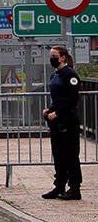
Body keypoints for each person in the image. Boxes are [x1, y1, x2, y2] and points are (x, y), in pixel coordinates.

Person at [42, 45, 82, 200]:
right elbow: (57, 98)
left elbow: (72, 100)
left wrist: (58, 113)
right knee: (58, 155)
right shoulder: (55, 75)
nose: (52, 59)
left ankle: (75, 188)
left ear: (63, 57)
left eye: (55, 56)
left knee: (71, 155)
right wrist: (49, 110)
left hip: (68, 120)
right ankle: (59, 186)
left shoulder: (70, 74)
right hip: (56, 121)